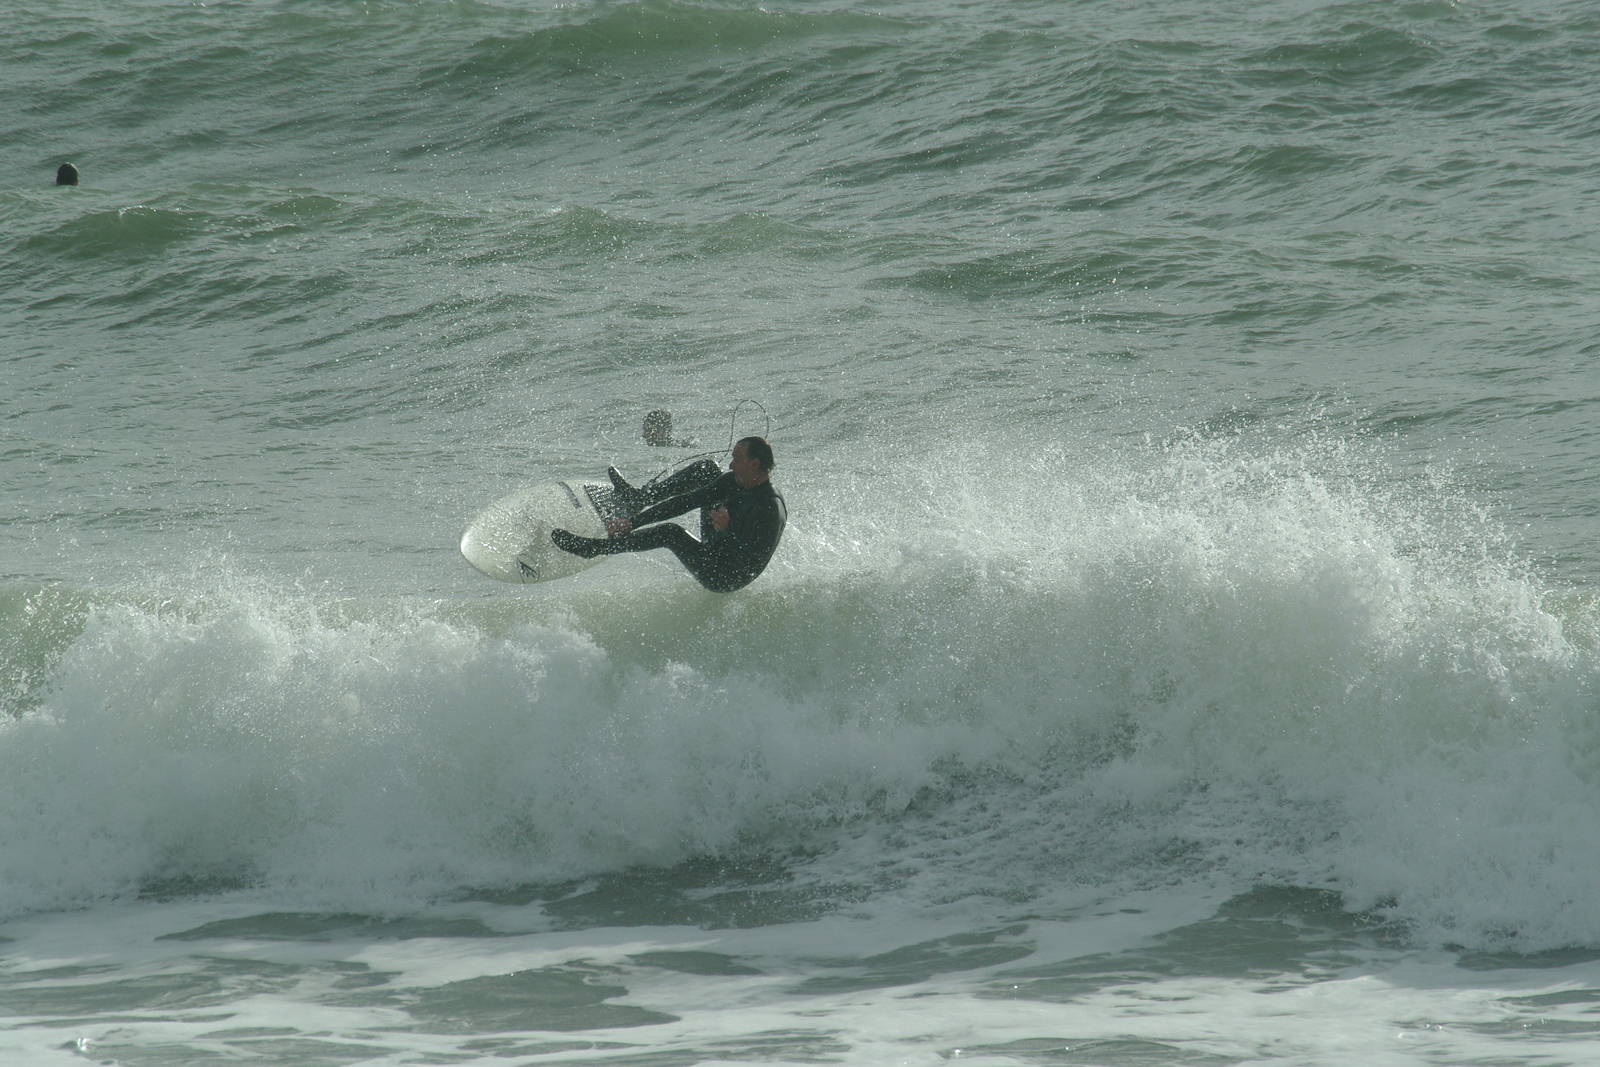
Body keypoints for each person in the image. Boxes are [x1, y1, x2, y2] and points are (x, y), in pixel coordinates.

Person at [553, 437, 786, 592]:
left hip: (724, 574)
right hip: (718, 540)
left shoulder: (769, 508)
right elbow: (685, 502)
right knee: (707, 470)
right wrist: (633, 523)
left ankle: (593, 548)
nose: (732, 465)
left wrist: (728, 531)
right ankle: (639, 500)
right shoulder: (733, 482)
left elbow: (748, 564)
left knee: (671, 533)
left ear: (754, 464)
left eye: (737, 459)